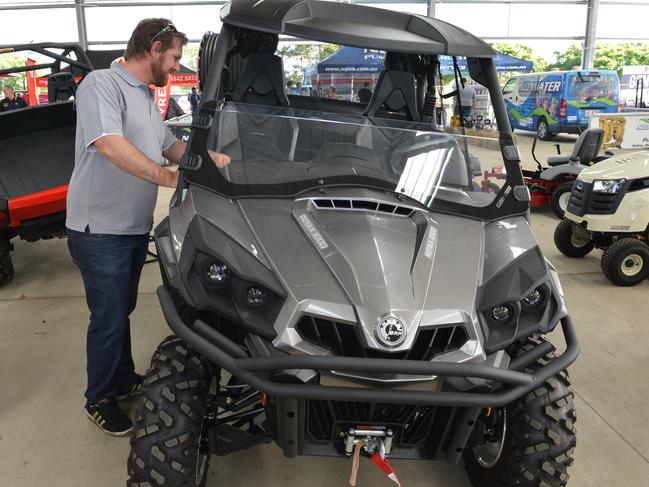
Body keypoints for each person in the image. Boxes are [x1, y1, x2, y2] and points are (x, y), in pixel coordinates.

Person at [65, 18, 230, 436]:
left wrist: (208, 161)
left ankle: (120, 380)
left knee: (122, 311)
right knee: (109, 316)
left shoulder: (143, 95)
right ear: (155, 47)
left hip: (130, 227)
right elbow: (108, 143)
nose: (175, 67)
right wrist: (168, 178)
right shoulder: (102, 84)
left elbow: (168, 146)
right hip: (98, 228)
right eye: (174, 57)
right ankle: (98, 398)